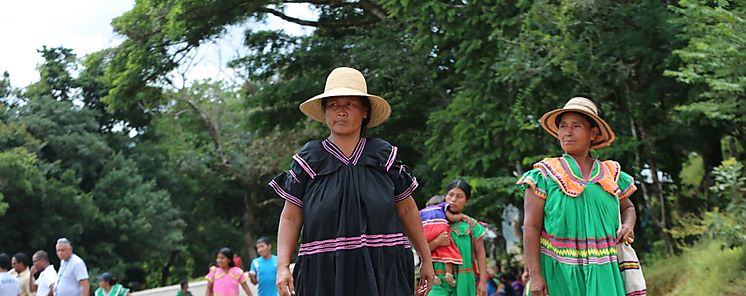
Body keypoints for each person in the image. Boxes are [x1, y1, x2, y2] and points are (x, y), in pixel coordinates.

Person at [270, 66, 434, 296]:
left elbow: (407, 210)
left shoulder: (384, 156)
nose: (341, 111)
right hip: (324, 271)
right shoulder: (309, 160)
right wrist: (283, 267)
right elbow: (290, 216)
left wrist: (427, 259)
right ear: (325, 111)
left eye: (349, 104)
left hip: (384, 269)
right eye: (334, 105)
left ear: (365, 111)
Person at [517, 97, 638, 296]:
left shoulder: (610, 173)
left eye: (576, 126)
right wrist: (535, 275)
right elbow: (531, 226)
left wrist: (628, 226)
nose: (568, 132)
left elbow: (628, 208)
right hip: (559, 271)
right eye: (563, 126)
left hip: (604, 270)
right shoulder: (544, 175)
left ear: (593, 133)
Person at [428, 180, 489, 296]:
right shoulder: (432, 223)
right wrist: (437, 242)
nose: (453, 199)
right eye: (450, 195)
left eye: (459, 196)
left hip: (465, 281)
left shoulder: (472, 225)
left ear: (467, 201)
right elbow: (422, 250)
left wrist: (482, 282)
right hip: (438, 281)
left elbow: (480, 253)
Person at [419, 201, 467, 287]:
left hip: (425, 232)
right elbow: (451, 218)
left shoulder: (422, 211)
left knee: (429, 255)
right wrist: (462, 216)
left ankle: (433, 275)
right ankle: (449, 274)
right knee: (447, 251)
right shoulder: (442, 206)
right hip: (440, 231)